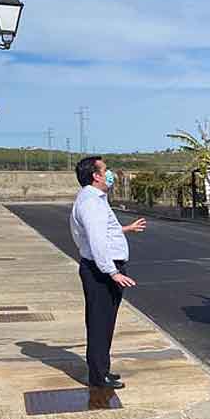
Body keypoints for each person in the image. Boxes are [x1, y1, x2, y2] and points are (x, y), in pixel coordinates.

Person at [70, 156, 146, 390]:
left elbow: (103, 230)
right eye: (105, 170)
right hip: (100, 272)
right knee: (100, 323)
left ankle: (101, 368)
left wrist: (126, 229)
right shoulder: (91, 203)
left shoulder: (93, 199)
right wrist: (112, 272)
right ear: (96, 175)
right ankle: (97, 377)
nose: (109, 173)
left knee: (104, 323)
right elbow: (97, 240)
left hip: (100, 268)